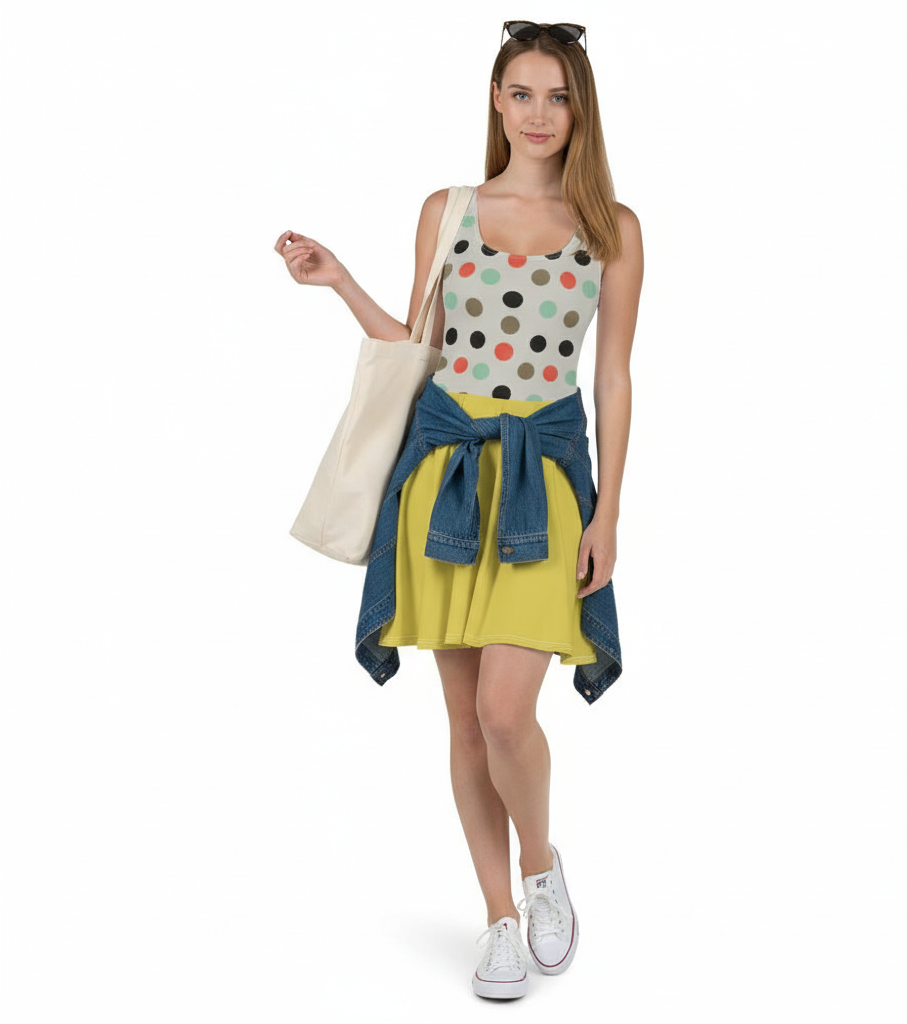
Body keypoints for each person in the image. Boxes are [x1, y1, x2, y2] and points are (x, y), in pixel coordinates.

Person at [274, 20, 643, 1001]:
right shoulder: (448, 210)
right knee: (468, 724)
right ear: (496, 100)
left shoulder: (612, 225)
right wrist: (339, 283)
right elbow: (419, 345)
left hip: (543, 483)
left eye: (557, 97)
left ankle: (541, 868)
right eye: (522, 94)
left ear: (581, 110)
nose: (538, 114)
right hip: (443, 478)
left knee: (506, 712)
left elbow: (612, 378)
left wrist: (608, 514)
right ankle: (498, 920)